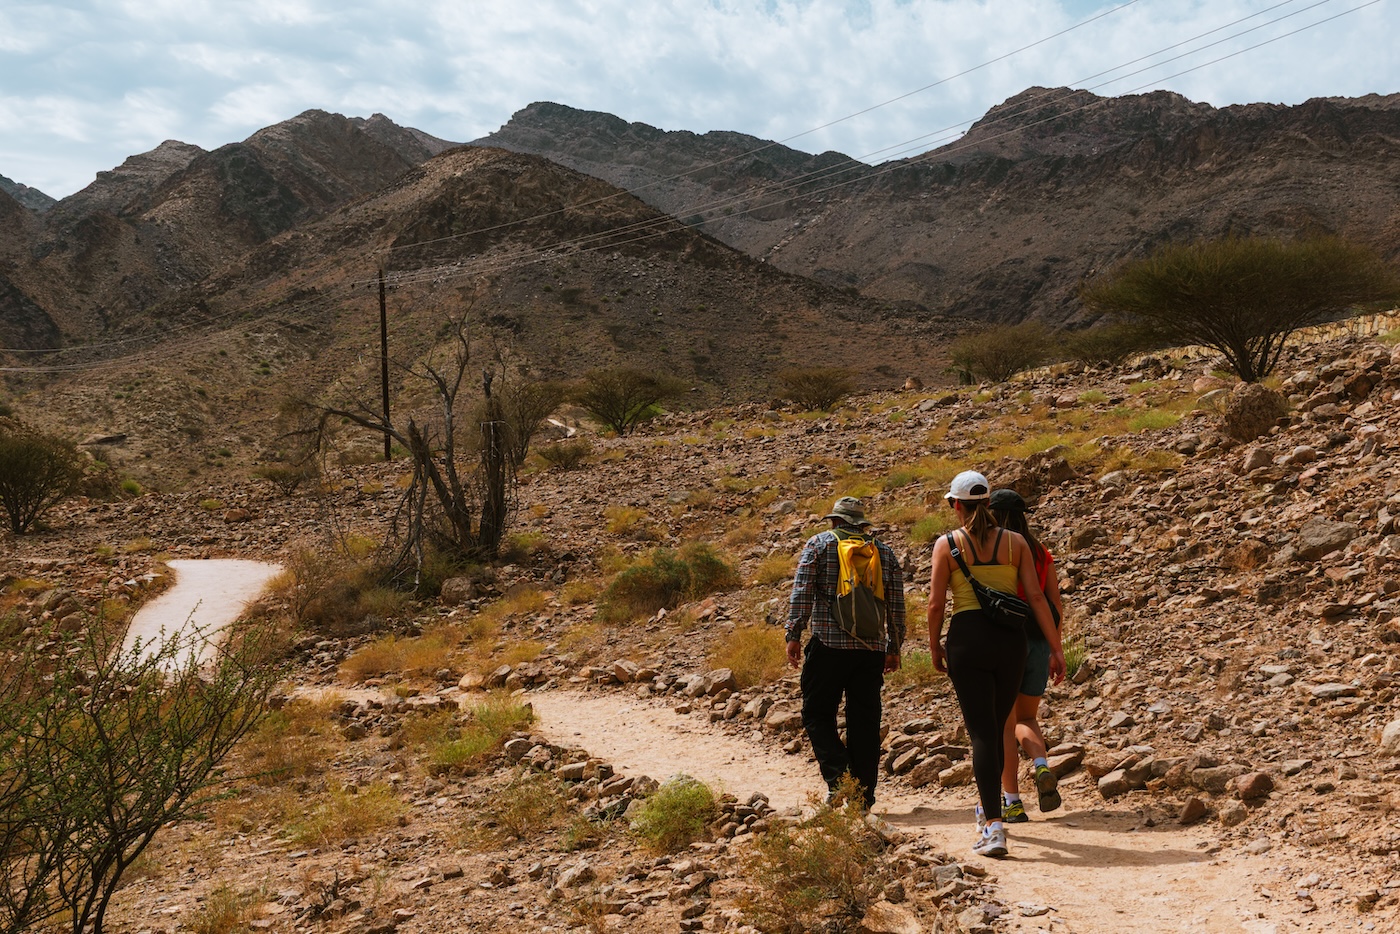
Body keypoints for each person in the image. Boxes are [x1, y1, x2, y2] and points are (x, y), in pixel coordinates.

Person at [927, 472, 1064, 858]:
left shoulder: (947, 544)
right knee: (1001, 722)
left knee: (983, 734)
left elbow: (936, 604)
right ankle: (993, 807)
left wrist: (934, 646)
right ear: (988, 503)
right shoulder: (1016, 543)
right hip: (1011, 643)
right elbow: (1037, 598)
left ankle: (994, 826)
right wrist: (1056, 649)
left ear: (956, 505)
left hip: (967, 641)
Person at [786, 496, 906, 810]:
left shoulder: (819, 545)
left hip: (828, 646)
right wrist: (894, 646)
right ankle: (863, 798)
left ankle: (839, 780)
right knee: (864, 722)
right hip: (870, 650)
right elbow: (895, 605)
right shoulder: (884, 551)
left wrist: (794, 634)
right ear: (861, 524)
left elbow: (802, 591)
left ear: (836, 522)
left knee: (816, 714)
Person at [990, 488, 1065, 823]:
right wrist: (1055, 648)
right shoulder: (1040, 552)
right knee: (1027, 718)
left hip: (1004, 641)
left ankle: (1013, 803)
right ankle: (1041, 765)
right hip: (1037, 642)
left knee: (1004, 726)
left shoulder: (992, 549)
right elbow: (1054, 607)